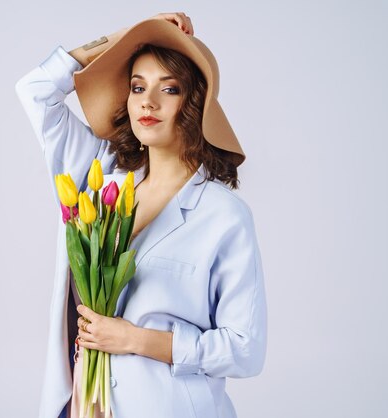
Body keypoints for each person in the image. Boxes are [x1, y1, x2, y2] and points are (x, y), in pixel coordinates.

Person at [15, 12, 267, 418]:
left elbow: (244, 350)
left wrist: (136, 340)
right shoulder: (99, 178)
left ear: (195, 103)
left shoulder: (224, 216)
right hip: (80, 405)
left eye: (168, 88)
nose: (147, 102)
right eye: (137, 86)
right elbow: (35, 90)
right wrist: (133, 33)